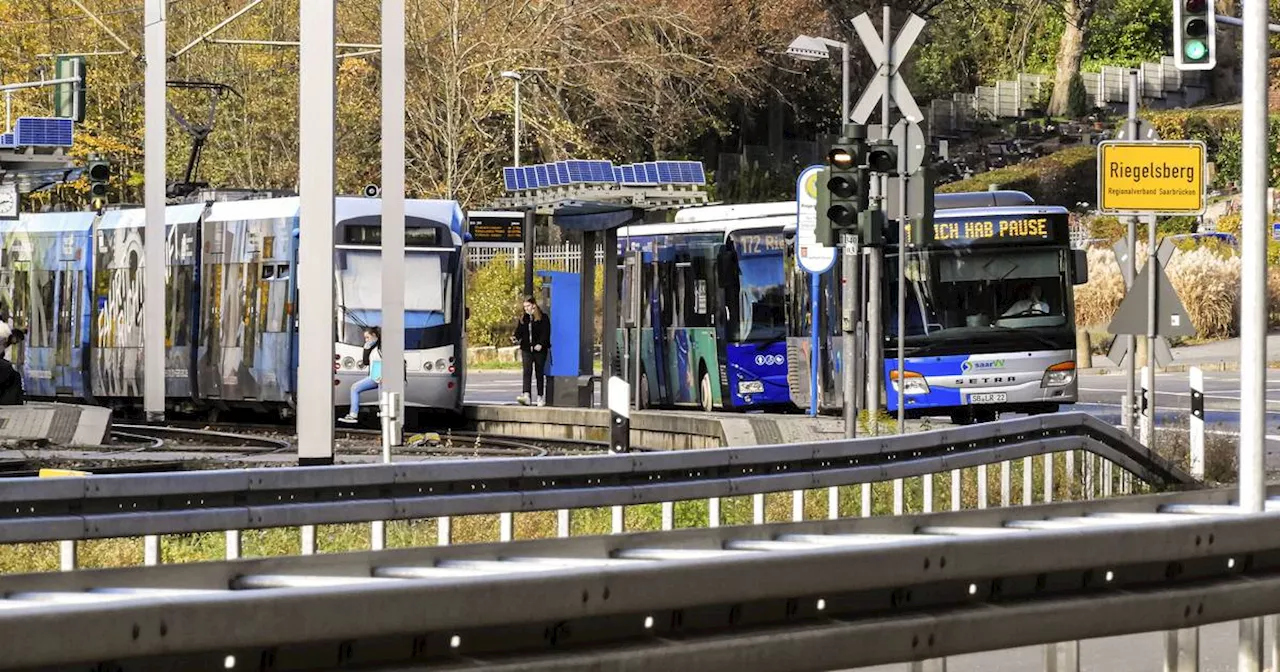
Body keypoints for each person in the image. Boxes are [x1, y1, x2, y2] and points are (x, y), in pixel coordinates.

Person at [511, 296, 550, 406]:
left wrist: (541, 344)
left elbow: (546, 332)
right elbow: (519, 331)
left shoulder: (543, 318)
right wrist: (515, 337)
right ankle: (526, 394)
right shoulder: (524, 319)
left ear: (534, 305)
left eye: (528, 306)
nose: (526, 309)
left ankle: (540, 396)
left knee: (539, 372)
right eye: (525, 307)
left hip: (539, 350)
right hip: (526, 348)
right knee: (527, 372)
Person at [339, 326, 381, 423]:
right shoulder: (373, 347)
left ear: (374, 335)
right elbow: (366, 362)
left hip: (380, 374)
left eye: (367, 337)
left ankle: (354, 414)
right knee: (355, 388)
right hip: (375, 374)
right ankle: (353, 414)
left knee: (383, 399)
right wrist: (366, 349)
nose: (366, 340)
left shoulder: (381, 346)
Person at [0, 322, 24, 406]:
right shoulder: (4, 337)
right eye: (17, 340)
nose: (16, 342)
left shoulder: (6, 344)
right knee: (8, 369)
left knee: (15, 375)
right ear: (14, 336)